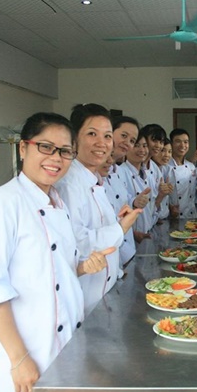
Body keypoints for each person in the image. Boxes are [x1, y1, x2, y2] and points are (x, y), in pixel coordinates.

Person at [0, 113, 115, 392]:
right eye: (45, 147)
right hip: (22, 356)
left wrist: (82, 267)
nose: (55, 158)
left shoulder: (57, 204)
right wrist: (19, 358)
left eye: (65, 151)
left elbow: (53, 269)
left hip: (61, 348)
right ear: (23, 148)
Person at [56, 104, 141, 315]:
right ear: (74, 139)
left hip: (105, 294)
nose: (101, 143)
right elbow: (78, 243)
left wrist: (116, 222)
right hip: (85, 304)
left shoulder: (93, 179)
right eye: (92, 134)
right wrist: (120, 228)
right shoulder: (69, 184)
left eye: (107, 136)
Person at [103, 115, 139, 265]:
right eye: (124, 136)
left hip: (125, 252)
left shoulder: (118, 171)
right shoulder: (95, 172)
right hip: (106, 257)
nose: (127, 143)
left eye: (132, 141)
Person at [116, 131, 156, 238]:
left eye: (144, 146)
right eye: (136, 146)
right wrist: (134, 202)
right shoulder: (120, 172)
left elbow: (152, 206)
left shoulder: (148, 174)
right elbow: (117, 205)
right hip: (129, 235)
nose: (142, 150)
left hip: (147, 231)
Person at [141, 124, 172, 222]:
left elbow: (155, 201)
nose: (158, 145)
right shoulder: (135, 166)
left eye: (161, 142)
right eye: (154, 140)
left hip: (151, 222)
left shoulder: (155, 169)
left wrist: (162, 194)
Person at [167, 128, 197, 218]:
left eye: (186, 142)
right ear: (171, 144)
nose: (182, 145)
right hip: (173, 216)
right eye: (178, 141)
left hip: (192, 216)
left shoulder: (191, 166)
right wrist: (169, 207)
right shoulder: (166, 167)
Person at [152, 137, 173, 220]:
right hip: (152, 219)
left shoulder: (166, 169)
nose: (167, 155)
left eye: (170, 151)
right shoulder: (149, 171)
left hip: (164, 217)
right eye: (163, 150)